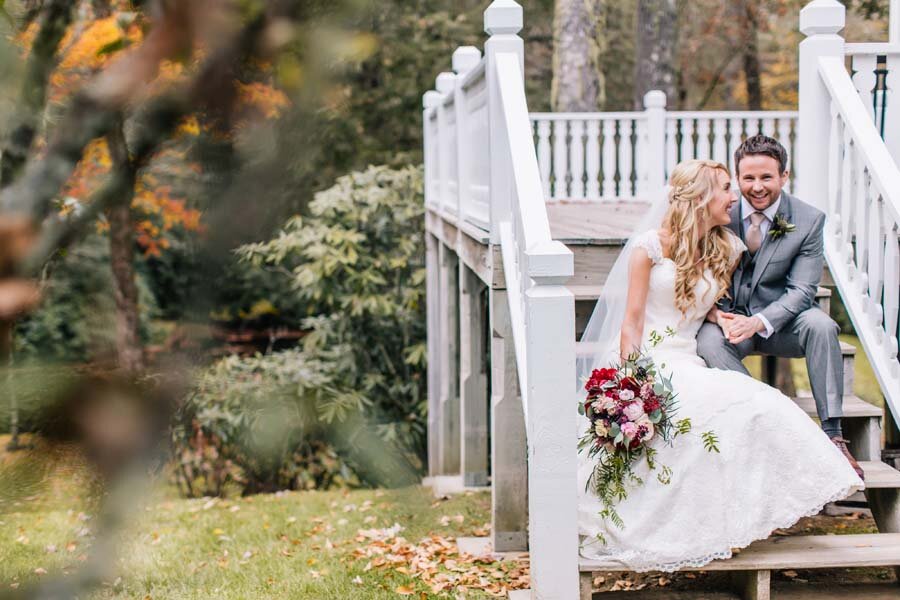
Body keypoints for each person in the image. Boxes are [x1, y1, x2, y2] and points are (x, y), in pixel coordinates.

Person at [576, 158, 863, 572]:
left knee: (764, 404)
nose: (736, 197)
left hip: (687, 358)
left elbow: (699, 301)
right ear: (700, 197)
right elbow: (633, 320)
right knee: (722, 409)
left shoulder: (726, 248)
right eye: (726, 188)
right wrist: (630, 382)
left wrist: (717, 317)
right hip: (651, 362)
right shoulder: (648, 247)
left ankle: (755, 510)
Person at [696, 135, 862, 479]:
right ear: (737, 178)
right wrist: (720, 316)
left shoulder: (809, 220)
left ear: (784, 176)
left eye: (766, 178)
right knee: (709, 342)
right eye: (748, 178)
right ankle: (763, 424)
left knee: (822, 326)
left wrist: (758, 321)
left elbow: (803, 290)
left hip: (781, 322)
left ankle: (833, 435)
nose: (757, 187)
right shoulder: (721, 210)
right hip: (729, 320)